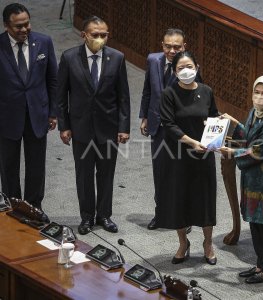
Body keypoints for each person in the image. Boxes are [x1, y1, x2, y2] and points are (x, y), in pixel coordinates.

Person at [57, 16, 130, 235]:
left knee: (106, 174)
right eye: (95, 34)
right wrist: (64, 126)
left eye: (104, 35)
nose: (100, 38)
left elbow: (123, 96)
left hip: (108, 128)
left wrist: (124, 127)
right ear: (84, 35)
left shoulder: (117, 58)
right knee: (84, 175)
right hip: (81, 128)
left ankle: (104, 215)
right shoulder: (69, 58)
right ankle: (87, 217)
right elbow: (61, 96)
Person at [220, 75, 263, 284]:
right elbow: (248, 136)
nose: (260, 97)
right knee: (255, 223)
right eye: (257, 92)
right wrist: (234, 123)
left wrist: (233, 153)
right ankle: (260, 264)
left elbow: (260, 150)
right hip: (252, 177)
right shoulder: (255, 113)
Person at [157, 51, 217, 265]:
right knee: (179, 199)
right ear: (174, 72)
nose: (186, 71)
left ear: (197, 66)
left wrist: (214, 139)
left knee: (205, 200)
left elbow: (214, 119)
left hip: (204, 156)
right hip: (178, 155)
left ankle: (207, 244)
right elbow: (168, 124)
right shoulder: (169, 93)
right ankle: (183, 243)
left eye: (189, 66)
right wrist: (192, 142)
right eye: (180, 68)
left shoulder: (206, 91)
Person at [139, 28, 201, 230]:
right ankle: (161, 214)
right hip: (158, 127)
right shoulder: (153, 60)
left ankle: (185, 217)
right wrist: (145, 117)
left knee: (181, 174)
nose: (172, 51)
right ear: (162, 45)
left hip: (182, 131)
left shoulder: (189, 67)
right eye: (168, 46)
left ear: (184, 46)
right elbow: (148, 90)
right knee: (160, 173)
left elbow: (197, 99)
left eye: (177, 47)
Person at [0, 3, 57, 221]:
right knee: (8, 167)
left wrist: (53, 112)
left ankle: (34, 208)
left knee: (36, 166)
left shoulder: (43, 42)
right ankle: (13, 208)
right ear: (7, 26)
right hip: (7, 118)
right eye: (18, 27)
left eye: (27, 24)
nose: (24, 29)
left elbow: (53, 80)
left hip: (37, 115)